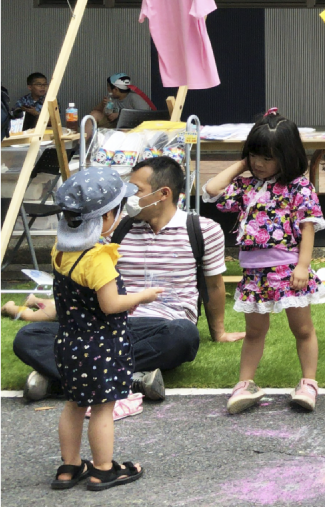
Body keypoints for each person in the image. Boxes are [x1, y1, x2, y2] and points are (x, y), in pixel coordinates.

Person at [14, 155, 240, 403]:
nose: (128, 197)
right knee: (28, 336)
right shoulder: (114, 227)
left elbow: (215, 285)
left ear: (163, 194)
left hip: (160, 327)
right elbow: (91, 280)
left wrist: (219, 333)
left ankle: (62, 378)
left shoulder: (203, 230)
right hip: (107, 325)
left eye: (136, 190)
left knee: (184, 336)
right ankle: (130, 379)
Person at [205, 110, 325, 415]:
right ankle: (245, 383)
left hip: (289, 270)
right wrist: (241, 164)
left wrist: (303, 266)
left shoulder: (299, 187)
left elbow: (308, 227)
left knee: (302, 329)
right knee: (254, 332)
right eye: (255, 156)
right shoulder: (246, 185)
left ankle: (309, 383)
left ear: (287, 157)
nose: (260, 163)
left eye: (268, 157)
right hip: (253, 275)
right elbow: (212, 190)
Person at [48, 167, 161, 491]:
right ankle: (102, 469)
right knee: (102, 408)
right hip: (100, 347)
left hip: (69, 343)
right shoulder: (97, 258)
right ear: (105, 216)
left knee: (73, 404)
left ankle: (69, 467)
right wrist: (144, 295)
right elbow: (110, 304)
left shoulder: (60, 250)